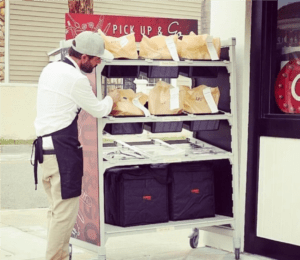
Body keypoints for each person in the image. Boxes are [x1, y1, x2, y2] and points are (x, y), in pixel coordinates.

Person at [32, 31, 119, 260]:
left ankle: (58, 255)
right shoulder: (76, 79)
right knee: (64, 216)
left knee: (56, 212)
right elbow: (99, 109)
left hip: (45, 151)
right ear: (84, 57)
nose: (99, 62)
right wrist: (114, 97)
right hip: (61, 154)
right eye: (97, 58)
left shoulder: (50, 68)